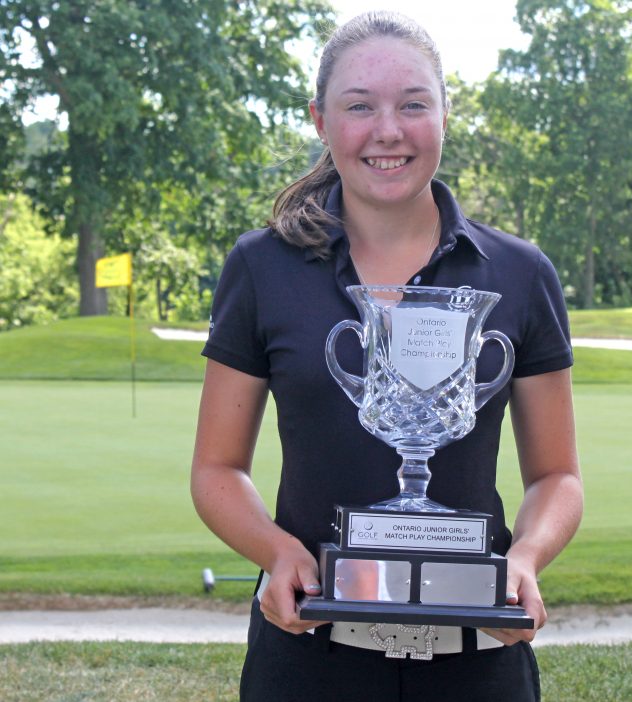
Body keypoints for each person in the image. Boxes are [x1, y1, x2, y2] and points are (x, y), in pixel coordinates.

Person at [191, 11, 582, 702]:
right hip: (308, 658)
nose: (388, 130)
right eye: (359, 106)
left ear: (444, 113)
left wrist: (524, 558)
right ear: (320, 120)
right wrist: (276, 552)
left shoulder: (522, 273)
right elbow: (216, 469)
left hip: (479, 659)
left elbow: (557, 476)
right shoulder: (261, 266)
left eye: (412, 104)